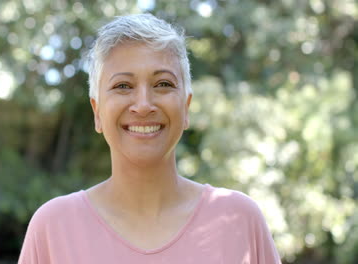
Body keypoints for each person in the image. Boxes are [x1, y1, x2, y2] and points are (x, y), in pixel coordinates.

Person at [18, 13, 282, 264]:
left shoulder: (239, 219)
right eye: (123, 86)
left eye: (163, 84)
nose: (143, 105)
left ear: (186, 107)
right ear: (97, 112)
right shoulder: (53, 228)